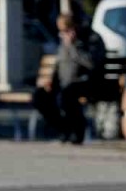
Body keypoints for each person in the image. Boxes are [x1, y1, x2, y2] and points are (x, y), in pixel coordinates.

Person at [31, 13, 106, 145]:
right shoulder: (64, 41)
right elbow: (59, 63)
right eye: (61, 31)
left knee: (68, 95)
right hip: (64, 82)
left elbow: (92, 63)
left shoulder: (92, 38)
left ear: (75, 27)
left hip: (87, 82)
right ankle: (64, 129)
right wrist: (51, 81)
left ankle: (77, 132)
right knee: (40, 97)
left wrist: (74, 46)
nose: (63, 34)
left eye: (66, 30)